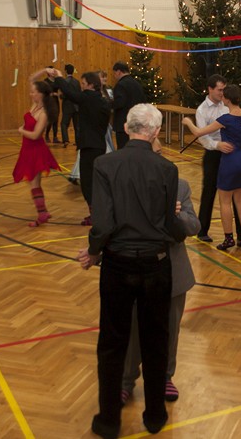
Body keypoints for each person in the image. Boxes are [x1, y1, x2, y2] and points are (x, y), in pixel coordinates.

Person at [77, 103, 185, 439]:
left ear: (125, 128)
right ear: (155, 132)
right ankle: (154, 416)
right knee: (156, 341)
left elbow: (103, 222)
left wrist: (94, 251)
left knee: (112, 343)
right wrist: (181, 231)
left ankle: (109, 420)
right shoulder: (167, 168)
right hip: (156, 265)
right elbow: (170, 224)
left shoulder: (104, 164)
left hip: (118, 264)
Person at [121, 138, 199, 406]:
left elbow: (194, 227)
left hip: (173, 273)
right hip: (135, 270)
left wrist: (178, 215)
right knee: (132, 330)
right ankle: (126, 380)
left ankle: (165, 377)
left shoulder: (180, 186)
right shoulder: (127, 185)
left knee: (169, 331)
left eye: (157, 153)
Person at [183, 85, 241, 250]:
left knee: (225, 201)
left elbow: (199, 133)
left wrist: (188, 122)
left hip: (230, 162)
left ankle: (228, 238)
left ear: (226, 99)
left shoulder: (226, 119)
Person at [53, 69, 111, 226]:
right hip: (99, 145)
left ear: (91, 85)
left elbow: (70, 93)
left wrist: (59, 77)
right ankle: (99, 212)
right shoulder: (103, 100)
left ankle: (95, 215)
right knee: (96, 181)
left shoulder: (88, 98)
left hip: (89, 146)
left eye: (84, 84)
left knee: (87, 182)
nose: (82, 87)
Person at [193, 74, 241, 243]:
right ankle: (202, 230)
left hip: (230, 154)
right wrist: (217, 145)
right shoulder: (202, 110)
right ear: (210, 89)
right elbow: (202, 137)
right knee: (209, 191)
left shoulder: (227, 105)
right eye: (220, 90)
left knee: (235, 193)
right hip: (213, 154)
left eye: (224, 90)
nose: (222, 93)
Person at [12, 80, 60, 227]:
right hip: (27, 149)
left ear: (41, 94)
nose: (31, 94)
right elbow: (32, 78)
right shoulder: (35, 106)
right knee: (34, 183)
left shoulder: (43, 113)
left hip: (35, 150)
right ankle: (43, 211)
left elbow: (35, 135)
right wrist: (44, 70)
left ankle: (42, 214)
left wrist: (21, 130)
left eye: (33, 92)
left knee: (34, 183)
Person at [110, 62, 145, 149]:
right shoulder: (137, 84)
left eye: (114, 73)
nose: (114, 76)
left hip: (123, 123)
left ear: (118, 72)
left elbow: (119, 103)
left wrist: (108, 103)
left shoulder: (120, 85)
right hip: (136, 121)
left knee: (123, 149)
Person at [60, 64, 79, 148]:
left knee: (64, 124)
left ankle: (66, 140)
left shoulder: (64, 82)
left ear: (65, 71)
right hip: (76, 106)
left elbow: (64, 95)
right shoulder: (77, 82)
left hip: (67, 106)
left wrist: (60, 96)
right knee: (77, 125)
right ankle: (78, 141)